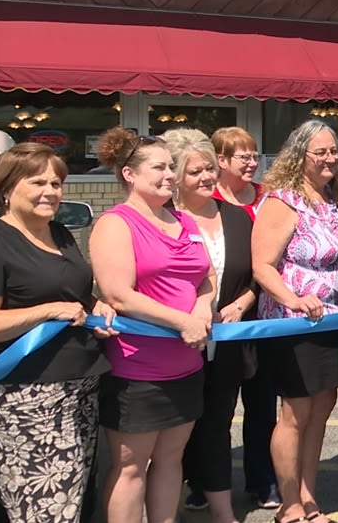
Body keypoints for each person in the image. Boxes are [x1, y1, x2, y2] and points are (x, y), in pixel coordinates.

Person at [0, 143, 113, 523]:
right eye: (38, 182)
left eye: (56, 182)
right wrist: (46, 312)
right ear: (7, 188)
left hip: (78, 388)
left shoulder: (59, 234)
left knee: (72, 497)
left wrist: (97, 305)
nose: (51, 191)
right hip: (23, 396)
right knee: (42, 505)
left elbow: (72, 294)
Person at [89, 128, 217, 523]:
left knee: (170, 461)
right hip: (137, 369)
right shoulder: (116, 224)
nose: (169, 175)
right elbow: (118, 294)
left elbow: (206, 278)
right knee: (131, 468)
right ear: (129, 174)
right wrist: (184, 321)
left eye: (171, 167)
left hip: (188, 365)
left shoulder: (184, 221)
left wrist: (203, 311)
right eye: (159, 167)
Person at [253, 120, 338, 523]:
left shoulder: (332, 199)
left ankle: (310, 498)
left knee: (323, 405)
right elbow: (262, 266)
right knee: (295, 411)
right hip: (292, 323)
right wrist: (294, 299)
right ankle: (289, 503)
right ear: (299, 156)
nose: (330, 159)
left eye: (334, 151)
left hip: (330, 322)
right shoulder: (282, 201)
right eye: (321, 152)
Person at [163, 129, 255, 523]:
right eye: (194, 171)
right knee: (175, 433)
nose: (206, 177)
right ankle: (177, 499)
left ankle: (222, 511)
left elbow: (258, 272)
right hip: (174, 344)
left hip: (229, 343)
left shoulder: (236, 216)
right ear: (177, 178)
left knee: (217, 426)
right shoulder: (165, 220)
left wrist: (243, 302)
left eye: (208, 168)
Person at [211, 126, 281, 511]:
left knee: (262, 406)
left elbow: (270, 260)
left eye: (255, 155)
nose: (253, 162)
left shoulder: (265, 199)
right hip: (218, 319)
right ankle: (206, 480)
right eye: (243, 156)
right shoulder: (205, 200)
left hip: (262, 315)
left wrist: (248, 299)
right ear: (220, 160)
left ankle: (262, 480)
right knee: (215, 410)